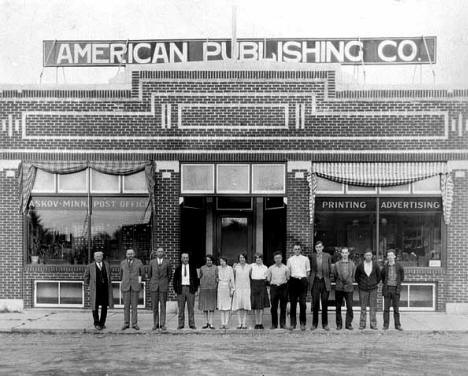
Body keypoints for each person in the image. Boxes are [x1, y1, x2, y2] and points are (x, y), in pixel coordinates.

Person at [83, 251, 114, 330]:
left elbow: (109, 275)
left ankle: (102, 323)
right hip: (95, 289)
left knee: (104, 307)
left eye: (100, 256)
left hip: (105, 289)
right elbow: (86, 277)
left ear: (102, 257)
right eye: (96, 256)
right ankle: (96, 323)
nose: (98, 258)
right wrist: (87, 286)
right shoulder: (90, 266)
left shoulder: (107, 265)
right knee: (95, 306)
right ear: (94, 257)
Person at [355, 251, 381, 330]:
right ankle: (362, 324)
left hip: (373, 289)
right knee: (363, 307)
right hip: (363, 289)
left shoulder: (375, 265)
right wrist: (362, 284)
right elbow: (357, 277)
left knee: (373, 307)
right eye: (367, 255)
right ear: (364, 256)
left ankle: (373, 324)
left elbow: (379, 276)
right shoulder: (360, 265)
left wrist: (373, 283)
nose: (368, 256)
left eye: (370, 255)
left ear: (372, 256)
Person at [287, 243, 310, 330]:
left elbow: (308, 272)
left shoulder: (305, 259)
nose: (297, 250)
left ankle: (302, 323)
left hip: (302, 281)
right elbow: (288, 272)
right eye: (295, 249)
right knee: (293, 303)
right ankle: (293, 323)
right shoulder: (290, 260)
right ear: (293, 250)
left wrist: (304, 280)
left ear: (300, 250)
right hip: (293, 281)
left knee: (303, 304)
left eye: (298, 249)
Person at [148, 247, 172, 331]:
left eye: (162, 252)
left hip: (163, 286)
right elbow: (149, 274)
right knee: (154, 306)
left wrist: (165, 282)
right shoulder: (152, 262)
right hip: (154, 286)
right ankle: (155, 323)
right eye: (159, 251)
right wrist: (153, 282)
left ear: (164, 253)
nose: (160, 253)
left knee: (163, 306)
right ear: (156, 253)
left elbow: (170, 274)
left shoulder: (167, 262)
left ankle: (162, 324)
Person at [173, 252, 199, 329]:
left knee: (191, 308)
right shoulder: (178, 268)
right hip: (181, 289)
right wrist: (176, 290)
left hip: (190, 289)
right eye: (183, 257)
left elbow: (196, 279)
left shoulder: (192, 267)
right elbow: (175, 280)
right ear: (181, 259)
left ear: (188, 258)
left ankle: (192, 324)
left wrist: (195, 289)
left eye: (186, 257)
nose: (185, 259)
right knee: (181, 308)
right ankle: (181, 324)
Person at [310, 240, 332, 331]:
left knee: (324, 303)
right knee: (315, 304)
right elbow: (310, 269)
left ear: (322, 247)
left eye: (320, 247)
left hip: (324, 281)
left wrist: (326, 278)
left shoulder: (327, 256)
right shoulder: (312, 256)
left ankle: (325, 324)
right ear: (315, 248)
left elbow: (330, 269)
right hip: (315, 281)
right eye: (317, 247)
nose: (318, 248)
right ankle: (314, 324)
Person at [120, 249, 144, 330]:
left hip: (135, 287)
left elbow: (142, 273)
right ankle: (126, 323)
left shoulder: (139, 262)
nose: (130, 255)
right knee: (126, 306)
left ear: (134, 254)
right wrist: (123, 282)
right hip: (126, 286)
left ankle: (134, 324)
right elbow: (121, 274)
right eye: (128, 254)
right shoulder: (122, 263)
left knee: (134, 306)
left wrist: (139, 283)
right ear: (126, 255)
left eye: (131, 254)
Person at [381, 250, 405, 330]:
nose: (390, 257)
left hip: (395, 289)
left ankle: (397, 325)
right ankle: (386, 325)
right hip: (387, 289)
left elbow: (402, 277)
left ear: (394, 256)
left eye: (392, 255)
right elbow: (382, 276)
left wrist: (397, 285)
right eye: (389, 255)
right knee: (386, 309)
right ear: (387, 257)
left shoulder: (399, 266)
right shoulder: (385, 266)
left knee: (396, 309)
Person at [333, 247, 356, 330]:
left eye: (346, 253)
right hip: (339, 287)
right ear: (341, 254)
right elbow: (335, 275)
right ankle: (339, 324)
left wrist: (348, 281)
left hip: (349, 287)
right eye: (343, 252)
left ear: (348, 253)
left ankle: (348, 324)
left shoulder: (352, 264)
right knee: (338, 307)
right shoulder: (337, 264)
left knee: (349, 306)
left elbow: (353, 276)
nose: (345, 254)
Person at [267, 251, 290, 329]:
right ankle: (274, 324)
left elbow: (288, 278)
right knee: (274, 307)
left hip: (283, 287)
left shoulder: (286, 268)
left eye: (279, 258)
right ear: (274, 259)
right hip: (274, 287)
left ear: (282, 258)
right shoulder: (270, 268)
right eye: (276, 258)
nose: (278, 259)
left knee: (283, 306)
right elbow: (268, 279)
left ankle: (283, 324)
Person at [232, 253, 252, 329]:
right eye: (240, 258)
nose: (242, 259)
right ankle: (239, 323)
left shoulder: (249, 267)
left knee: (245, 306)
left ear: (245, 258)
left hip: (246, 288)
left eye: (243, 257)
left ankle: (244, 323)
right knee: (238, 305)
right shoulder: (236, 267)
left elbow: (251, 277)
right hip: (238, 288)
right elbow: (233, 277)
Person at [199, 255, 218, 329]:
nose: (209, 261)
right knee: (205, 307)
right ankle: (205, 323)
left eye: (210, 260)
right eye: (207, 260)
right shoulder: (202, 268)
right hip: (204, 289)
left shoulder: (215, 268)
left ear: (212, 261)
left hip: (212, 289)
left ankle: (211, 323)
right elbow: (200, 277)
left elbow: (217, 277)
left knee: (211, 307)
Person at [250, 253, 270, 329]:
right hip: (254, 285)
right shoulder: (251, 266)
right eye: (256, 258)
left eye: (259, 258)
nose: (258, 259)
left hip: (262, 285)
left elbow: (267, 278)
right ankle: (256, 323)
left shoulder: (265, 267)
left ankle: (260, 323)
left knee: (261, 306)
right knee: (255, 306)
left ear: (262, 259)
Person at [217, 256, 235, 329]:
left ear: (226, 261)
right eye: (221, 261)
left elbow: (232, 279)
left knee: (227, 307)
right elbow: (216, 276)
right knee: (221, 307)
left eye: (223, 261)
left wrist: (232, 290)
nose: (222, 263)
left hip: (227, 287)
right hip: (220, 287)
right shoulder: (218, 268)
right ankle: (222, 323)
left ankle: (226, 323)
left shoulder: (230, 269)